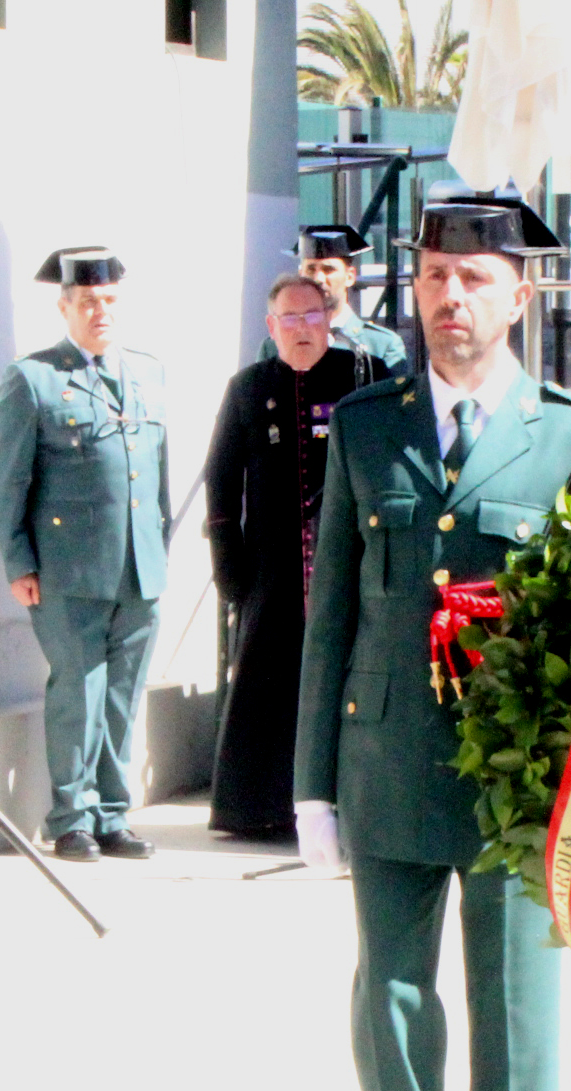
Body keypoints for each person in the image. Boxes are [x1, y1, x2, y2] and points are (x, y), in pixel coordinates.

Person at [293, 188, 571, 1091]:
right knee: (389, 1006)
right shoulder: (369, 427)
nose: (449, 298)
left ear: (521, 293)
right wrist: (309, 783)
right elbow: (330, 612)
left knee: (516, 1024)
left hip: (520, 784)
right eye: (433, 277)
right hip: (386, 761)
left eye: (475, 279)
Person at [0, 247, 169, 862]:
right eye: (87, 301)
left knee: (122, 696)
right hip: (68, 569)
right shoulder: (34, 378)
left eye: (110, 299)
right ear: (65, 306)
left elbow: (157, 474)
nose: (100, 310)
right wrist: (18, 561)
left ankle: (114, 816)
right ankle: (72, 816)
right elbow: (8, 478)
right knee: (79, 694)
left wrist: (160, 550)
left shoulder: (148, 373)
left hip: (139, 568)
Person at [202, 275, 372, 838]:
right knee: (264, 684)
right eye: (289, 320)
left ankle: (348, 805)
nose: (302, 329)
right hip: (271, 564)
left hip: (345, 558)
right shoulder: (249, 387)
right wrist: (228, 564)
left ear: (329, 319)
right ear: (272, 327)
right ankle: (257, 810)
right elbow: (222, 478)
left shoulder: (361, 378)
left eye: (311, 316)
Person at [259, 224, 411, 377]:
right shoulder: (273, 346)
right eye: (311, 269)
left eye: (328, 269)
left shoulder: (381, 345)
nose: (318, 279)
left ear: (350, 276)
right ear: (300, 274)